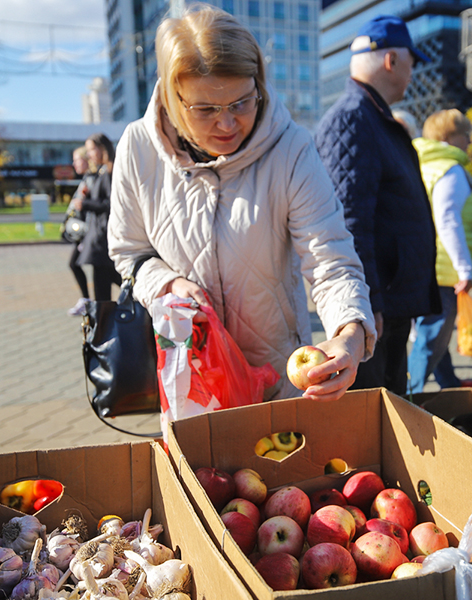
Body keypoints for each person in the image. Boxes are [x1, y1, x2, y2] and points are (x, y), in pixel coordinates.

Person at [107, 5, 376, 402]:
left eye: (242, 103)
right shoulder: (138, 147)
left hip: (279, 380)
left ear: (259, 85)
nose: (228, 123)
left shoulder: (291, 149)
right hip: (193, 381)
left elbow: (329, 258)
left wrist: (349, 332)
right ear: (172, 95)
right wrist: (167, 282)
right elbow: (129, 252)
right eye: (206, 110)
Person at [315, 15, 440, 396]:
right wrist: (367, 303)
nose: (412, 72)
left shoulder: (372, 116)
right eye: (411, 62)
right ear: (391, 61)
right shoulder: (354, 119)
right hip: (377, 307)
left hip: (389, 298)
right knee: (372, 411)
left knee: (390, 406)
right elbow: (349, 221)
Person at [407, 109, 472, 393]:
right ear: (450, 136)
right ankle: (409, 396)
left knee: (433, 331)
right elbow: (447, 220)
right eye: (467, 135)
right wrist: (465, 269)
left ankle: (449, 383)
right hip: (443, 266)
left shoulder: (423, 163)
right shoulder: (451, 169)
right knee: (434, 332)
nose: (471, 142)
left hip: (420, 260)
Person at [75, 133, 121, 303]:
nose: (89, 155)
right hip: (99, 238)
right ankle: (104, 324)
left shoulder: (110, 171)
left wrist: (86, 203)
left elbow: (110, 204)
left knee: (103, 291)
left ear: (102, 148)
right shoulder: (103, 171)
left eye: (91, 150)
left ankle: (104, 324)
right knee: (105, 285)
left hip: (102, 239)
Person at [66, 146, 96, 316]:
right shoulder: (87, 179)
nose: (74, 163)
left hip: (90, 233)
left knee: (105, 273)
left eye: (77, 159)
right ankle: (87, 302)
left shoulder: (92, 180)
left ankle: (88, 302)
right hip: (85, 232)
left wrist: (83, 203)